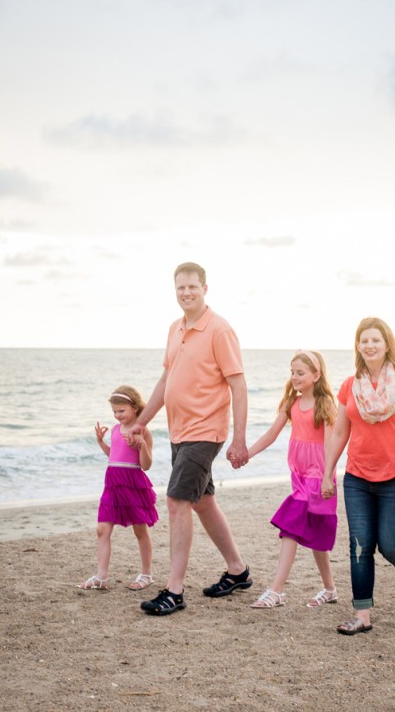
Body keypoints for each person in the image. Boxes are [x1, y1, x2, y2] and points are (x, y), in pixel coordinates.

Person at [135, 262, 252, 616]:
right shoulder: (175, 328)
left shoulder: (219, 330)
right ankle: (237, 571)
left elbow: (238, 385)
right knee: (202, 501)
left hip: (205, 431)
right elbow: (165, 381)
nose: (186, 293)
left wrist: (239, 439)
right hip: (180, 430)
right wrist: (140, 422)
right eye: (180, 288)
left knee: (176, 501)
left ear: (205, 288)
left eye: (192, 287)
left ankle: (174, 591)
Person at [321, 317, 395, 635]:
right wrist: (328, 472)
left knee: (392, 545)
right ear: (358, 346)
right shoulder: (349, 385)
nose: (369, 345)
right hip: (357, 478)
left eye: (375, 340)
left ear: (386, 344)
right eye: (363, 340)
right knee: (360, 545)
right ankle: (362, 616)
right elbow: (340, 432)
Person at [243, 350, 339, 609]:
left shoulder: (325, 404)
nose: (295, 377)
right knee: (313, 535)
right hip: (298, 477)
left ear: (316, 375)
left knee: (291, 528)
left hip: (319, 477)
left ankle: (276, 591)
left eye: (300, 373)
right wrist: (247, 454)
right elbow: (271, 434)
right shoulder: (291, 403)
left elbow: (331, 443)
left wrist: (329, 477)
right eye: (292, 372)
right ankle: (330, 590)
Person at [78, 385, 158, 592]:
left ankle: (147, 574)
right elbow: (114, 456)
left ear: (134, 407)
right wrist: (100, 443)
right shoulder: (114, 430)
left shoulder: (143, 431)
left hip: (132, 483)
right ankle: (101, 577)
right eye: (114, 412)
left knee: (140, 531)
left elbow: (146, 465)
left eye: (121, 411)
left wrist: (141, 445)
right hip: (112, 482)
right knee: (102, 529)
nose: (117, 415)